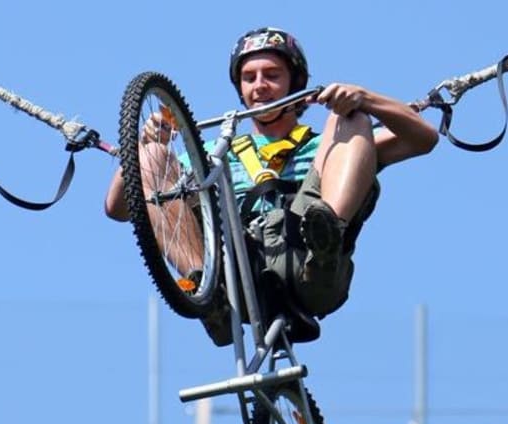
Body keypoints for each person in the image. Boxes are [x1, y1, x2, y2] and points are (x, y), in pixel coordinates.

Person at [105, 27, 438, 345]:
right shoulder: (210, 153)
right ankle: (207, 291)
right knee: (150, 156)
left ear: (296, 84)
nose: (260, 86)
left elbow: (422, 138)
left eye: (272, 75)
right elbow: (119, 207)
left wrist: (364, 99)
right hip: (233, 268)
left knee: (350, 118)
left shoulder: (333, 148)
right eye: (249, 78)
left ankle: (325, 235)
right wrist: (142, 144)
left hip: (305, 261)